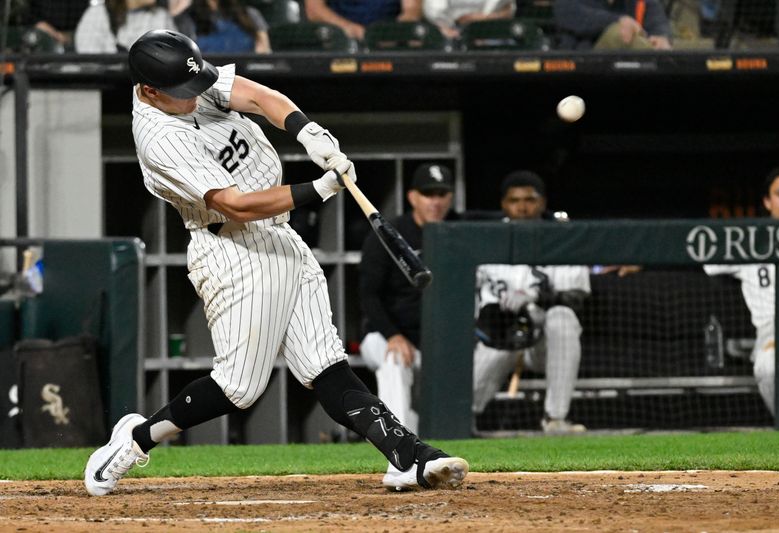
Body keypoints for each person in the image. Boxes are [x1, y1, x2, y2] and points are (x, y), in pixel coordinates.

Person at [83, 30, 467, 497]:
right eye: (182, 94)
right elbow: (237, 205)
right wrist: (321, 189)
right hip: (232, 249)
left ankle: (410, 457)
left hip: (280, 237)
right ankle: (135, 439)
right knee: (239, 387)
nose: (196, 95)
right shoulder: (159, 138)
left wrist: (308, 131)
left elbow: (257, 96)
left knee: (326, 366)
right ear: (148, 91)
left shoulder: (183, 80)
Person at [473, 170, 590, 434]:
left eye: (530, 199)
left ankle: (556, 419)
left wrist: (537, 297)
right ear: (504, 204)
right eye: (515, 200)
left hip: (545, 341)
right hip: (498, 336)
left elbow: (577, 297)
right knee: (466, 399)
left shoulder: (565, 238)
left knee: (563, 317)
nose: (523, 207)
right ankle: (463, 423)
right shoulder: (483, 240)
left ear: (543, 203)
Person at [358, 163, 455, 435]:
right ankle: (400, 443)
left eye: (441, 194)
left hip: (434, 344)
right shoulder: (389, 234)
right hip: (385, 335)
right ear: (413, 197)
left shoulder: (458, 230)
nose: (435, 201)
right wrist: (392, 335)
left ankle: (445, 434)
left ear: (451, 196)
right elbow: (368, 294)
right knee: (395, 360)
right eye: (428, 194)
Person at [703, 166, 779, 417]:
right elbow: (698, 256)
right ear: (768, 202)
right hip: (773, 331)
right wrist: (641, 261)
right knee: (768, 365)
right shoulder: (748, 241)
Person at [553, 0, 672, 50]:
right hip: (585, 67)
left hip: (636, 71)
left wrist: (660, 35)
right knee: (618, 34)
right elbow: (566, 12)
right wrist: (618, 20)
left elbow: (656, 16)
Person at [74, 0, 176, 53]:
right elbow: (88, 59)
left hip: (151, 88)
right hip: (109, 87)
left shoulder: (161, 16)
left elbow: (176, 56)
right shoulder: (97, 14)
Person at [175, 0, 270, 53]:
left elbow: (263, 51)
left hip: (249, 79)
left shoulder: (249, 14)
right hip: (208, 80)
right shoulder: (186, 19)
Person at [305, 0, 422, 41]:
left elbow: (411, 11)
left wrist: (394, 32)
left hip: (388, 39)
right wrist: (349, 28)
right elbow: (314, 9)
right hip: (338, 37)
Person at [423, 0, 515, 39]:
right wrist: (444, 27)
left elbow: (508, 10)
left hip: (491, 34)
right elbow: (434, 12)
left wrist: (481, 20)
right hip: (446, 36)